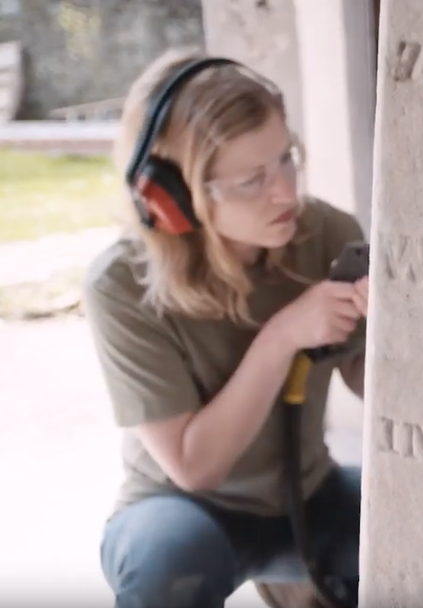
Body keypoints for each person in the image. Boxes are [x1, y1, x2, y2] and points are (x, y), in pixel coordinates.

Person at [82, 47, 368, 608]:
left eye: (286, 158)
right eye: (251, 180)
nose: (285, 191)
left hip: (308, 494)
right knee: (168, 565)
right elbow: (194, 465)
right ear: (172, 198)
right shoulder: (121, 286)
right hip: (181, 511)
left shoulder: (326, 233)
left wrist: (405, 328)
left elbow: (382, 395)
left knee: (419, 520)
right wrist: (284, 335)